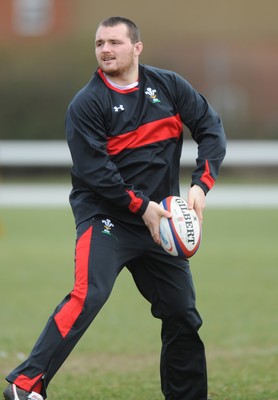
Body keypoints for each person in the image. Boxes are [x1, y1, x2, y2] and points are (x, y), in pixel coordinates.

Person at [3, 16, 226, 400]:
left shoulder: (169, 87)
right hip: (106, 217)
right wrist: (142, 207)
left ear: (137, 48)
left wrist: (201, 185)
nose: (105, 49)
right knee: (89, 294)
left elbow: (210, 127)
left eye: (114, 42)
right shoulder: (87, 103)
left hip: (160, 222)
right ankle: (25, 386)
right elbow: (95, 172)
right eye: (100, 43)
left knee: (182, 313)